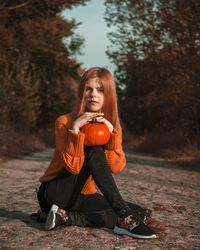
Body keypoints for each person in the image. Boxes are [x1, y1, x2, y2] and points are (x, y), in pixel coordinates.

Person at [36, 67, 159, 239]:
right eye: (89, 89)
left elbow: (115, 167)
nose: (94, 94)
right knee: (93, 150)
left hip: (82, 197)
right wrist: (75, 130)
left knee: (139, 211)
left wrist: (112, 135)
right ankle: (126, 218)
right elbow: (73, 167)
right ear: (82, 93)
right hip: (56, 192)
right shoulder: (64, 122)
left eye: (101, 90)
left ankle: (65, 217)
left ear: (108, 95)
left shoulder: (112, 128)